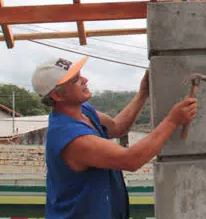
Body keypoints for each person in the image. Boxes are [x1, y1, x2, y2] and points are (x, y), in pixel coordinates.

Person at [32, 56, 197, 219]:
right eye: (75, 79)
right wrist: (172, 121)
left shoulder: (84, 112)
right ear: (57, 96)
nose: (85, 79)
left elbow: (118, 127)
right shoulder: (71, 137)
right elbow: (130, 160)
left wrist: (143, 94)